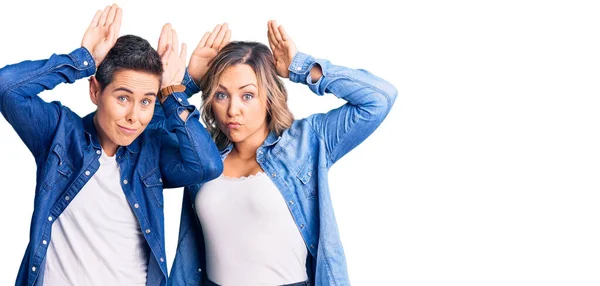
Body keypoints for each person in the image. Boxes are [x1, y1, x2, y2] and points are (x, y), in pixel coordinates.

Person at [0, 4, 222, 286]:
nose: (133, 115)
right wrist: (82, 60)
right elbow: (6, 87)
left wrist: (174, 91)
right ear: (95, 90)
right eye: (122, 98)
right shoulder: (59, 133)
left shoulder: (149, 151)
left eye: (146, 101)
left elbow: (207, 165)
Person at [168, 20, 397, 285]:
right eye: (221, 95)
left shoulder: (307, 141)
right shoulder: (201, 153)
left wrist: (302, 68)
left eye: (247, 96)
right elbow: (140, 133)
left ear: (269, 96)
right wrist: (188, 82)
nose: (233, 110)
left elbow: (379, 99)